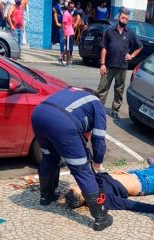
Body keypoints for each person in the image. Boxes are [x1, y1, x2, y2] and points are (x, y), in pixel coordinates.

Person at [31, 87, 113, 231]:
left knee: (49, 157)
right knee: (81, 169)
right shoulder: (97, 103)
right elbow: (98, 137)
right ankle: (101, 217)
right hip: (62, 122)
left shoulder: (71, 91)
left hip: (38, 115)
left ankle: (46, 196)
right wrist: (97, 162)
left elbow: (83, 132)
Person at [65, 157, 154, 214]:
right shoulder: (101, 198)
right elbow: (127, 204)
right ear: (78, 192)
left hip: (132, 174)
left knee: (149, 171)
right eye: (76, 187)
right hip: (145, 185)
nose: (77, 184)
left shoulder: (88, 183)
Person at [97, 7, 143, 121]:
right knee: (102, 89)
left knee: (119, 91)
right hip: (108, 66)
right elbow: (104, 48)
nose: (124, 20)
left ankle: (115, 110)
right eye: (123, 18)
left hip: (122, 67)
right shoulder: (109, 31)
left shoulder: (130, 33)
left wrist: (131, 56)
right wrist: (102, 64)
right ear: (119, 17)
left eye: (126, 19)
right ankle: (97, 108)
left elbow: (140, 46)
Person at [60, 1, 76, 67]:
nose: (71, 8)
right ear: (68, 6)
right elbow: (63, 24)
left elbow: (69, 23)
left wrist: (72, 24)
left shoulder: (69, 14)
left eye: (72, 7)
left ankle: (62, 58)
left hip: (71, 32)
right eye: (70, 7)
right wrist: (64, 34)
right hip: (68, 33)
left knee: (68, 48)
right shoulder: (66, 13)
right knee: (68, 49)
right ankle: (67, 62)